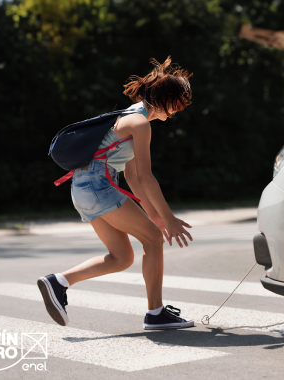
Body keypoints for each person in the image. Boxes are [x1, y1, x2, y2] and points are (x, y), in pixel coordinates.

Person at [37, 55, 194, 330]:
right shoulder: (139, 123)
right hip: (97, 186)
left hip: (83, 188)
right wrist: (167, 219)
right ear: (167, 99)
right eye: (179, 104)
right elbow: (146, 177)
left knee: (121, 257)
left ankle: (58, 282)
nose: (179, 110)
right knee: (154, 240)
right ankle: (156, 314)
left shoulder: (132, 118)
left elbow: (132, 178)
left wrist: (154, 215)